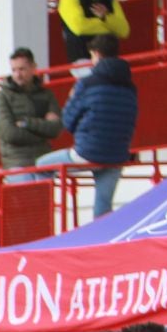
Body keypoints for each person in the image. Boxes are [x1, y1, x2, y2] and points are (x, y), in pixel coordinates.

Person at [57, 32, 137, 217]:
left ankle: (42, 225)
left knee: (40, 167)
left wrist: (71, 99)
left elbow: (67, 121)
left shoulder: (87, 83)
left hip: (88, 151)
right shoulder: (130, 86)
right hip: (118, 154)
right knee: (103, 208)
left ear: (97, 54)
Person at [0, 48, 63, 174]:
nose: (17, 74)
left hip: (43, 160)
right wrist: (43, 130)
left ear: (33, 67)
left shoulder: (46, 94)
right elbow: (9, 134)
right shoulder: (1, 96)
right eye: (14, 70)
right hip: (17, 162)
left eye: (22, 69)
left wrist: (26, 123)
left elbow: (56, 129)